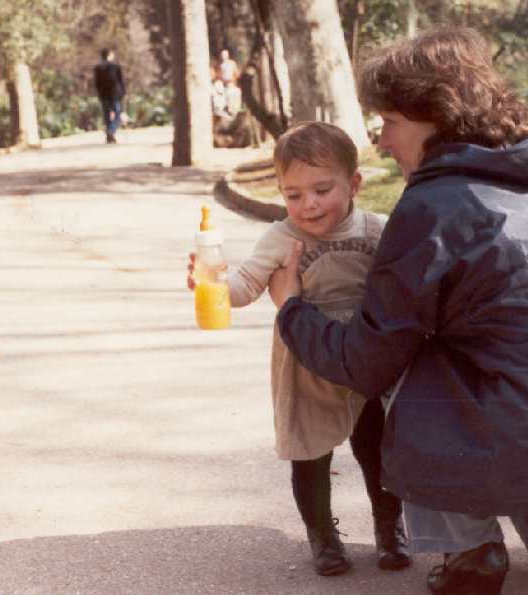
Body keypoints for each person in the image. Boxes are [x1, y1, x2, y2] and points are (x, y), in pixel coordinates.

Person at [269, 27, 528, 594]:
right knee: (523, 368)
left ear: (433, 118)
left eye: (389, 121)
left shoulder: (433, 206)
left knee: (409, 373)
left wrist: (292, 309)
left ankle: (472, 552)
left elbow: (365, 362)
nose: (382, 140)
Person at [185, 122, 411, 576]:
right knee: (310, 458)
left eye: (322, 190)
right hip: (306, 370)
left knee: (379, 453)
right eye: (294, 194)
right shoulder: (280, 238)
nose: (308, 204)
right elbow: (245, 286)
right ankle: (323, 536)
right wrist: (213, 282)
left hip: (365, 365)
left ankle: (389, 529)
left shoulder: (376, 230)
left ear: (354, 184)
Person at [93, 49, 126, 144]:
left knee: (107, 115)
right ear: (109, 55)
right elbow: (120, 81)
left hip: (104, 94)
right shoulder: (115, 66)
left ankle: (110, 133)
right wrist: (123, 92)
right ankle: (111, 131)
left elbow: (97, 83)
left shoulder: (98, 68)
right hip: (114, 94)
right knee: (117, 113)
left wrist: (99, 94)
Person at [218, 49, 241, 113]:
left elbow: (237, 74)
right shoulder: (220, 65)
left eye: (225, 55)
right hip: (224, 85)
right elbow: (219, 76)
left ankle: (235, 109)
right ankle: (228, 109)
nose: (223, 56)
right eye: (222, 55)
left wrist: (234, 80)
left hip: (232, 83)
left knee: (236, 92)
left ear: (228, 55)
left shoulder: (232, 63)